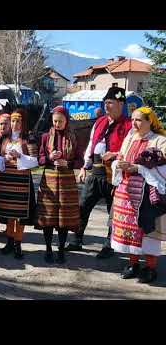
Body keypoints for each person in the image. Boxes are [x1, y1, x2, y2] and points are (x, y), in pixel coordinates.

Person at [65, 86, 132, 259]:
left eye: (110, 103)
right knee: (83, 207)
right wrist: (84, 167)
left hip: (114, 175)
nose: (106, 106)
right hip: (95, 172)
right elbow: (91, 146)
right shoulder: (100, 121)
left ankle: (109, 245)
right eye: (105, 102)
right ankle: (76, 240)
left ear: (120, 103)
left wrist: (116, 154)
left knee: (113, 212)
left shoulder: (129, 125)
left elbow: (131, 151)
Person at [110, 107, 166, 283]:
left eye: (139, 120)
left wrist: (138, 168)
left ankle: (150, 268)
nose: (134, 123)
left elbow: (164, 168)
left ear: (150, 121)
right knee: (129, 231)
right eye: (133, 119)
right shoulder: (129, 138)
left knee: (148, 231)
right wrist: (118, 164)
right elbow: (121, 156)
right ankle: (133, 264)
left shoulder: (160, 141)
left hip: (148, 195)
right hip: (126, 192)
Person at [0, 109, 39, 259]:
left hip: (22, 182)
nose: (15, 124)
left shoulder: (28, 138)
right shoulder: (3, 138)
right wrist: (2, 160)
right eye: (12, 120)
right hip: (6, 181)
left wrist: (20, 156)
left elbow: (35, 160)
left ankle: (18, 244)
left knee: (20, 216)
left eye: (18, 121)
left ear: (23, 123)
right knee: (9, 214)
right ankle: (9, 242)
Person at [36, 106, 82, 263]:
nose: (57, 124)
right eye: (55, 121)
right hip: (48, 180)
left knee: (64, 219)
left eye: (60, 121)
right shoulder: (44, 137)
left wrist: (67, 163)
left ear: (66, 121)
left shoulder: (74, 137)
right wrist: (49, 157)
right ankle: (48, 249)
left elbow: (80, 160)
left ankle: (61, 250)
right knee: (48, 217)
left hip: (67, 181)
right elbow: (40, 159)